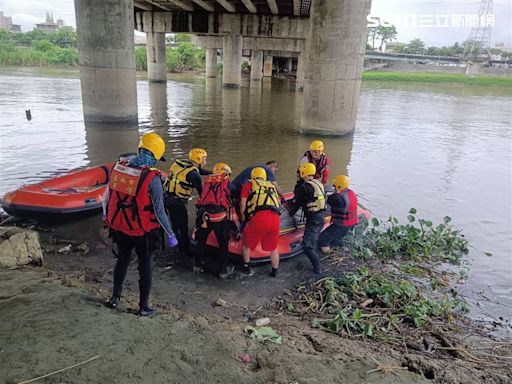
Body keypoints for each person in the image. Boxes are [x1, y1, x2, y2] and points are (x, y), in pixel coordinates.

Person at [103, 132, 178, 317]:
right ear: (156, 155)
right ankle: (143, 307)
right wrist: (171, 234)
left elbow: (106, 198)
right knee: (145, 268)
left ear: (140, 148)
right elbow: (160, 213)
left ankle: (114, 299)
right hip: (143, 232)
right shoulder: (153, 179)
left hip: (120, 227)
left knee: (122, 261)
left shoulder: (118, 168)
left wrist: (106, 217)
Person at [164, 148, 210, 269]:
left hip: (167, 198)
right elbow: (202, 194)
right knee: (183, 227)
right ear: (198, 160)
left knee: (175, 224)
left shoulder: (181, 164)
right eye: (204, 159)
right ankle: (186, 251)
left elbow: (199, 171)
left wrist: (212, 173)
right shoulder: (194, 176)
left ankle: (177, 245)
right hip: (177, 202)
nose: (206, 162)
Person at [195, 162, 236, 279]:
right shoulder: (226, 182)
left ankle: (197, 265)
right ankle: (223, 271)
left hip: (204, 216)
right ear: (226, 173)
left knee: (201, 241)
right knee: (223, 244)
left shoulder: (207, 181)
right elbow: (233, 194)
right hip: (220, 217)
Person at [239, 167, 281, 277]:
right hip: (275, 218)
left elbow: (243, 205)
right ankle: (275, 271)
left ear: (252, 176)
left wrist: (243, 217)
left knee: (245, 244)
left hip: (259, 218)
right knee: (273, 248)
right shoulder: (272, 186)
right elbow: (278, 203)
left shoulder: (248, 185)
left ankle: (247, 268)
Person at [287, 162, 326, 274]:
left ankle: (317, 269)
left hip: (314, 219)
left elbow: (297, 203)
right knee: (311, 240)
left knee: (307, 246)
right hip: (319, 216)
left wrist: (287, 213)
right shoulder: (318, 183)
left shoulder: (305, 187)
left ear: (303, 172)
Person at [319, 175, 359, 253]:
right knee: (336, 237)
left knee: (322, 240)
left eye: (334, 185)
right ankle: (339, 245)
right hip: (351, 223)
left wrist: (319, 196)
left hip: (342, 225)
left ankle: (329, 253)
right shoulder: (351, 193)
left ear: (338, 185)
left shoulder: (337, 197)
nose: (333, 187)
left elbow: (324, 200)